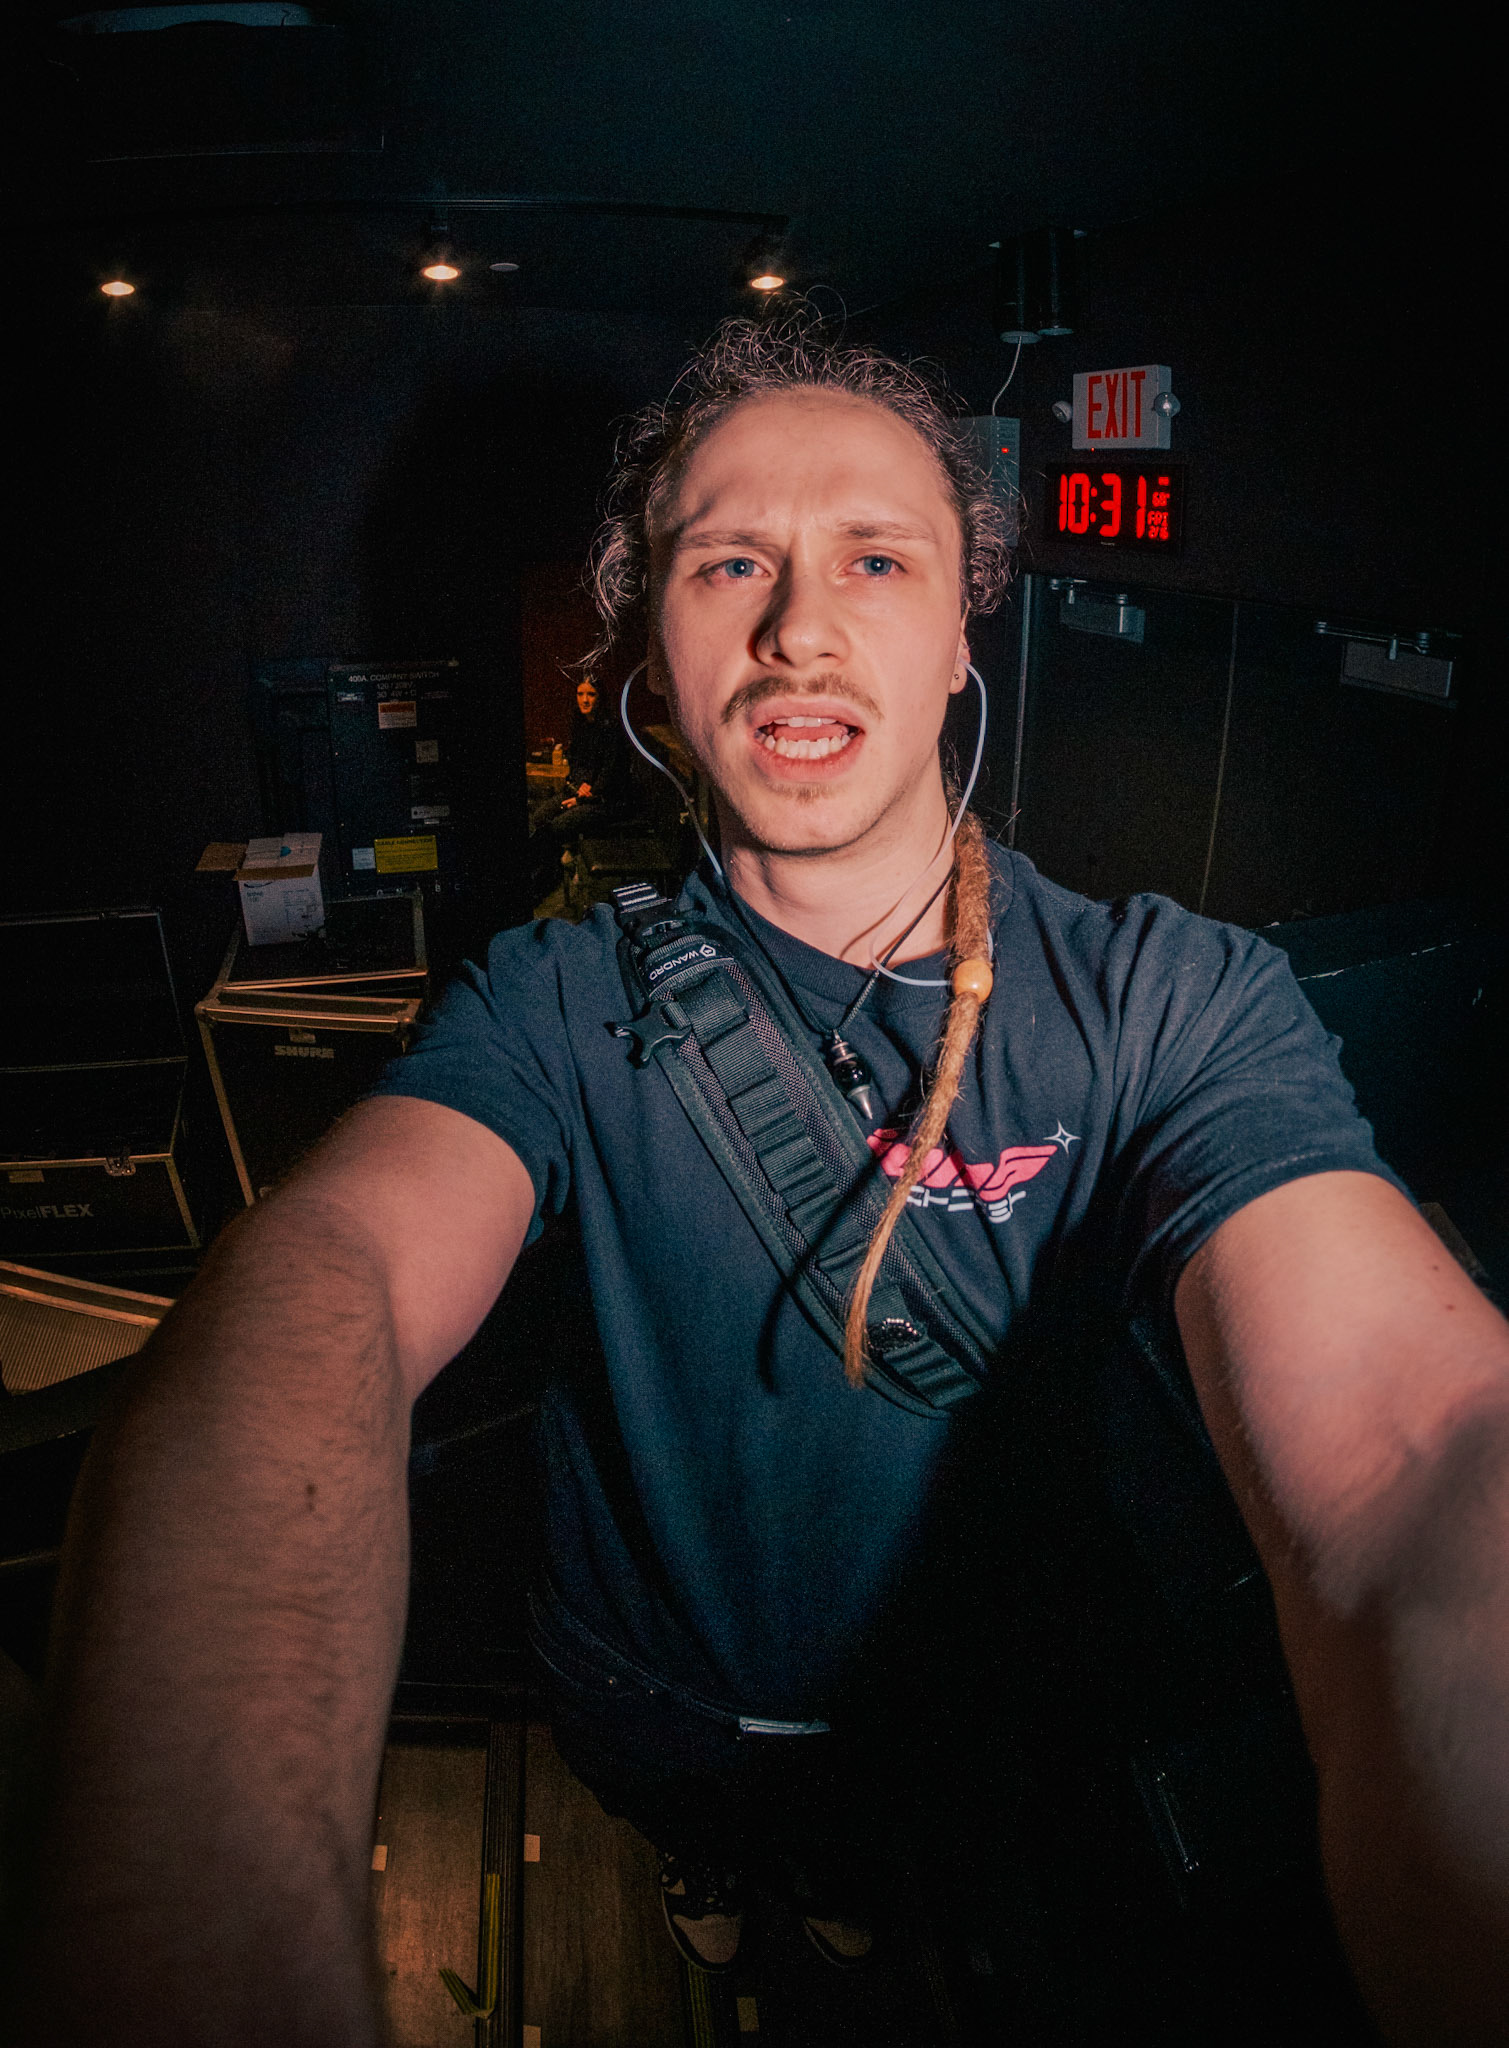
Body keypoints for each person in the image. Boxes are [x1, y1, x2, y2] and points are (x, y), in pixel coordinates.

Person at [9, 321, 1509, 2047]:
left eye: (875, 558)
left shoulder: (1171, 999)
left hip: (961, 1702)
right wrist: (193, 1907)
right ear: (651, 649)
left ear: (960, 632)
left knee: (885, 1888)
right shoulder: (551, 1000)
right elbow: (324, 1273)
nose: (798, 626)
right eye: (728, 562)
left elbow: (1410, 1447)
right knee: (708, 1858)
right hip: (645, 1690)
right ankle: (711, 1879)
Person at [527, 672, 634, 901]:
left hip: (607, 800)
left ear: (600, 697)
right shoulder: (581, 725)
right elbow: (576, 763)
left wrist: (585, 795)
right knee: (539, 817)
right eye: (580, 694)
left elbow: (610, 773)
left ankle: (549, 879)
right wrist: (578, 787)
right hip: (581, 791)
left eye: (591, 694)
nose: (584, 700)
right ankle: (545, 872)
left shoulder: (611, 728)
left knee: (557, 826)